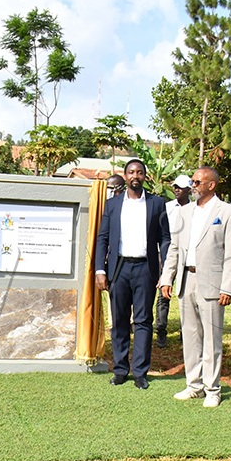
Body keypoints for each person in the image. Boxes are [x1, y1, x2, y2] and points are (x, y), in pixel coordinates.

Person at [159, 167, 231, 407]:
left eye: (197, 182)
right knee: (191, 336)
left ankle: (212, 389)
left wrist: (227, 288)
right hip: (187, 280)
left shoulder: (227, 212)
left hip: (213, 283)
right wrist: (167, 278)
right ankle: (193, 385)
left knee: (212, 338)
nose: (192, 185)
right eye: (192, 181)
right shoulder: (184, 212)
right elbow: (174, 248)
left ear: (211, 185)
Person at [95, 159, 169, 390]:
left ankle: (140, 372)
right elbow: (103, 238)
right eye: (131, 172)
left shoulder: (157, 204)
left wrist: (165, 268)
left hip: (145, 269)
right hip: (119, 269)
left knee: (143, 321)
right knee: (119, 321)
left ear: (145, 176)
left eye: (139, 172)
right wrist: (100, 270)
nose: (135, 176)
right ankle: (119, 370)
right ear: (125, 176)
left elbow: (165, 238)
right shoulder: (114, 204)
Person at [155, 174, 191, 348]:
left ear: (189, 190)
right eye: (175, 186)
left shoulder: (195, 209)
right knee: (164, 292)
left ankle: (187, 332)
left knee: (187, 294)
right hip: (167, 252)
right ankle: (161, 330)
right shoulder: (167, 207)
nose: (176, 189)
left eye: (180, 187)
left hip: (187, 253)